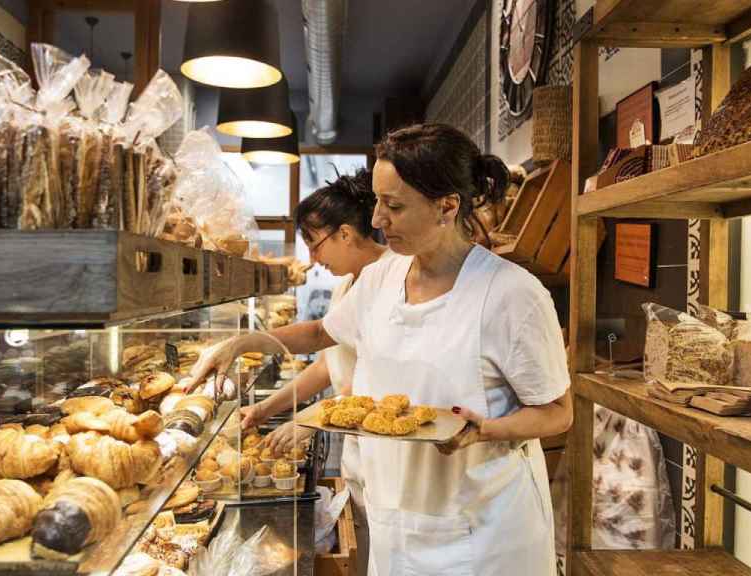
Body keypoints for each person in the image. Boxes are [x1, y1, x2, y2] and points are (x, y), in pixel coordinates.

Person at [188, 123, 572, 576]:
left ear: (447, 206)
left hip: (483, 534)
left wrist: (484, 429)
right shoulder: (380, 280)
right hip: (397, 525)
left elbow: (557, 412)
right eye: (376, 202)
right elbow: (321, 335)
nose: (375, 220)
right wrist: (247, 341)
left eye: (393, 206)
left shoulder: (511, 295)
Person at [242, 168, 388, 576]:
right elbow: (330, 362)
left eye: (314, 242)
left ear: (345, 233)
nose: (312, 259)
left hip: (388, 450)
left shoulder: (394, 279)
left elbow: (389, 382)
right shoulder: (346, 286)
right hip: (359, 448)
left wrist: (313, 418)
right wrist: (265, 409)